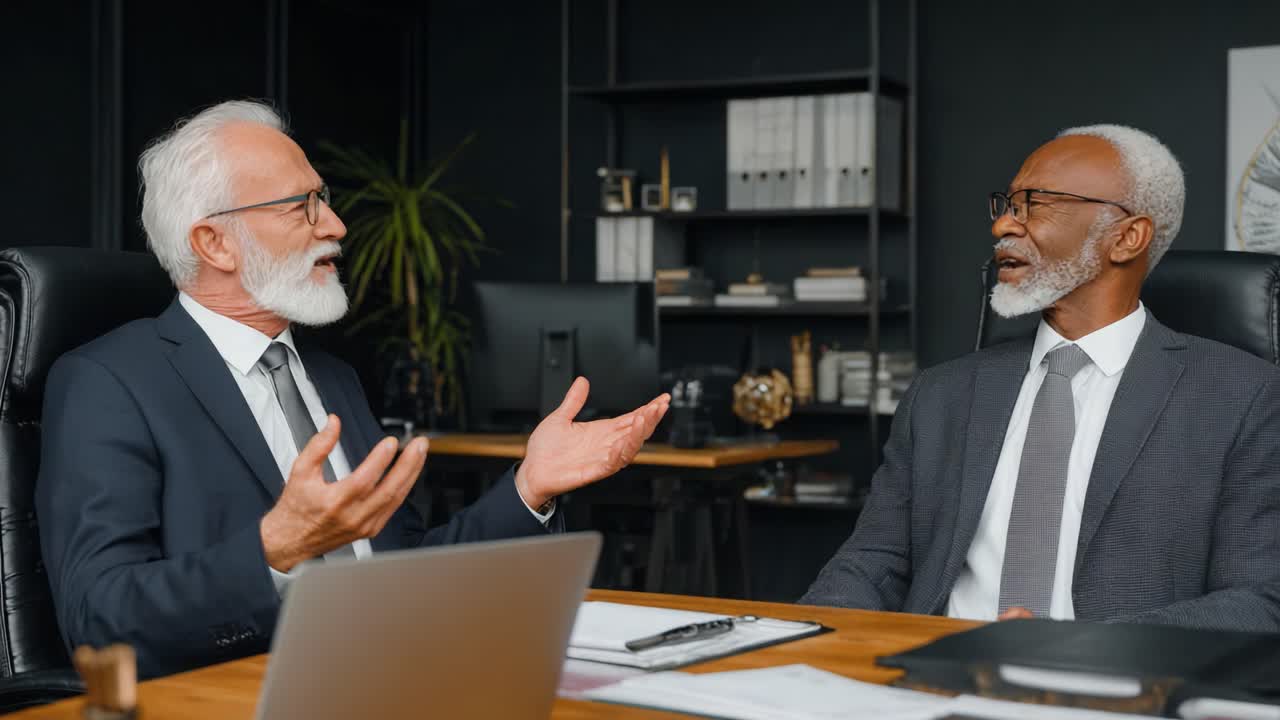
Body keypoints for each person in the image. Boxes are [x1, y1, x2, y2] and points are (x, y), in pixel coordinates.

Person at [35, 100, 670, 678]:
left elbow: (401, 575)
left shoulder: (333, 378)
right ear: (214, 243)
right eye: (301, 206)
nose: (335, 224)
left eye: (325, 199)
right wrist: (273, 552)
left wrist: (531, 486)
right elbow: (99, 622)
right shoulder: (107, 384)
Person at [803, 124, 1280, 631]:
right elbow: (873, 562)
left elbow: (1257, 601)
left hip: (1117, 691)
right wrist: (796, 644)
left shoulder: (1241, 397)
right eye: (1007, 204)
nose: (1003, 226)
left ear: (1126, 237)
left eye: (1035, 203)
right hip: (931, 675)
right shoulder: (939, 394)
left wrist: (1077, 652)